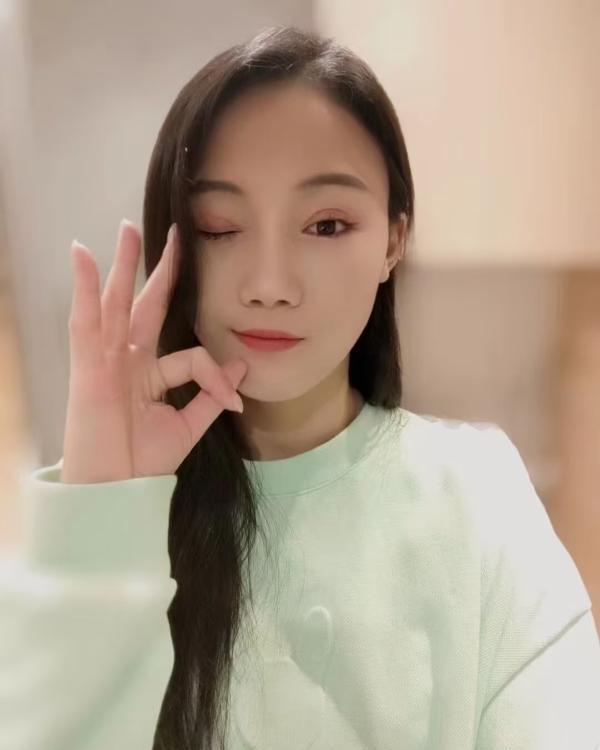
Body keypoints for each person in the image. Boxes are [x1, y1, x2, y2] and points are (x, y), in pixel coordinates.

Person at [2, 24, 599, 750]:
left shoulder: (477, 495)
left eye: (327, 225)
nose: (270, 284)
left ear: (393, 241)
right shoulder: (120, 512)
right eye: (220, 228)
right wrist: (101, 511)